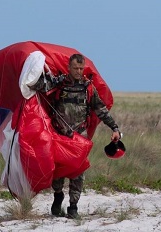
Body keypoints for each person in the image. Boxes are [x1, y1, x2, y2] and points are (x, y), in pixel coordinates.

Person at [37, 53, 121, 219]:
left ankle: (73, 206)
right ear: (69, 67)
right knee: (58, 170)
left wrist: (115, 128)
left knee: (78, 172)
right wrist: (38, 71)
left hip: (80, 136)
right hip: (59, 135)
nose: (78, 71)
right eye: (75, 68)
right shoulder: (58, 83)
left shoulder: (88, 87)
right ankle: (58, 195)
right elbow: (40, 88)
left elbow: (100, 109)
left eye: (81, 68)